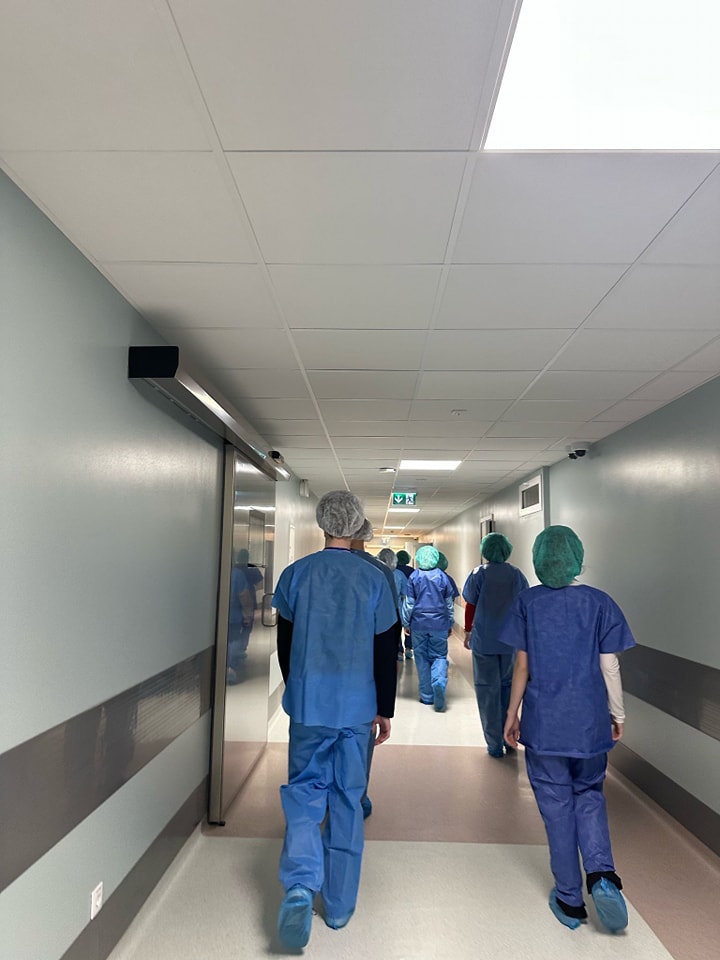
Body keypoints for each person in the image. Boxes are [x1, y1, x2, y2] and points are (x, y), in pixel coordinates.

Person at [272, 491, 398, 949]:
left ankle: (301, 885)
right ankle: (340, 907)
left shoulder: (296, 575)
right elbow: (385, 649)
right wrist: (384, 708)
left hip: (310, 706)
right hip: (357, 707)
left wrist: (299, 687)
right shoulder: (374, 579)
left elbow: (286, 645)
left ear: (323, 523)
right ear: (357, 525)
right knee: (347, 799)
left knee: (305, 793)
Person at [501, 525, 635, 934]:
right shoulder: (600, 603)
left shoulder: (527, 603)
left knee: (557, 808)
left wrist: (511, 714)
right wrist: (618, 715)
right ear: (578, 558)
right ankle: (603, 875)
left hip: (545, 726)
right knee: (589, 796)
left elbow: (522, 666)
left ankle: (570, 899)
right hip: (589, 724)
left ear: (538, 560)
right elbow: (609, 666)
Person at [350, 524, 402, 820]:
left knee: (315, 755)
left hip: (315, 683)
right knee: (357, 747)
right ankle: (356, 799)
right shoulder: (379, 572)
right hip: (363, 678)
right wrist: (384, 706)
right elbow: (387, 636)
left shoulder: (304, 570)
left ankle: (319, 801)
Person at [462, 533, 528, 757]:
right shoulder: (516, 574)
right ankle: (510, 737)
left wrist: (468, 632)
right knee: (510, 689)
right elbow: (524, 604)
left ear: (485, 551)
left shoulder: (478, 574)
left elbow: (470, 603)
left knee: (487, 691)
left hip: (484, 641)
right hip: (511, 641)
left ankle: (494, 744)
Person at [401, 545, 455, 711]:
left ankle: (427, 696)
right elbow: (449, 604)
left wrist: (406, 623)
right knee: (439, 655)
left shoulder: (414, 577)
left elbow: (409, 603)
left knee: (421, 658)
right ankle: (438, 680)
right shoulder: (443, 577)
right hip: (439, 624)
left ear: (418, 559)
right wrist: (450, 622)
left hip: (419, 624)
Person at [377, 547, 408, 662]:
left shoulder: (375, 573)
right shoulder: (400, 575)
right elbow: (405, 595)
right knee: (395, 636)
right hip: (396, 611)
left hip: (379, 612)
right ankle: (397, 652)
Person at [226, 559, 255, 684]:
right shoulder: (236, 574)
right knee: (233, 641)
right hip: (233, 617)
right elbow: (245, 597)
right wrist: (248, 615)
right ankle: (230, 668)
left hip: (210, 620)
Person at [395, 549, 415, 659]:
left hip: (397, 604)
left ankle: (399, 650)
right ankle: (408, 648)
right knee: (409, 626)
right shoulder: (412, 571)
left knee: (397, 627)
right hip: (410, 603)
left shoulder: (395, 571)